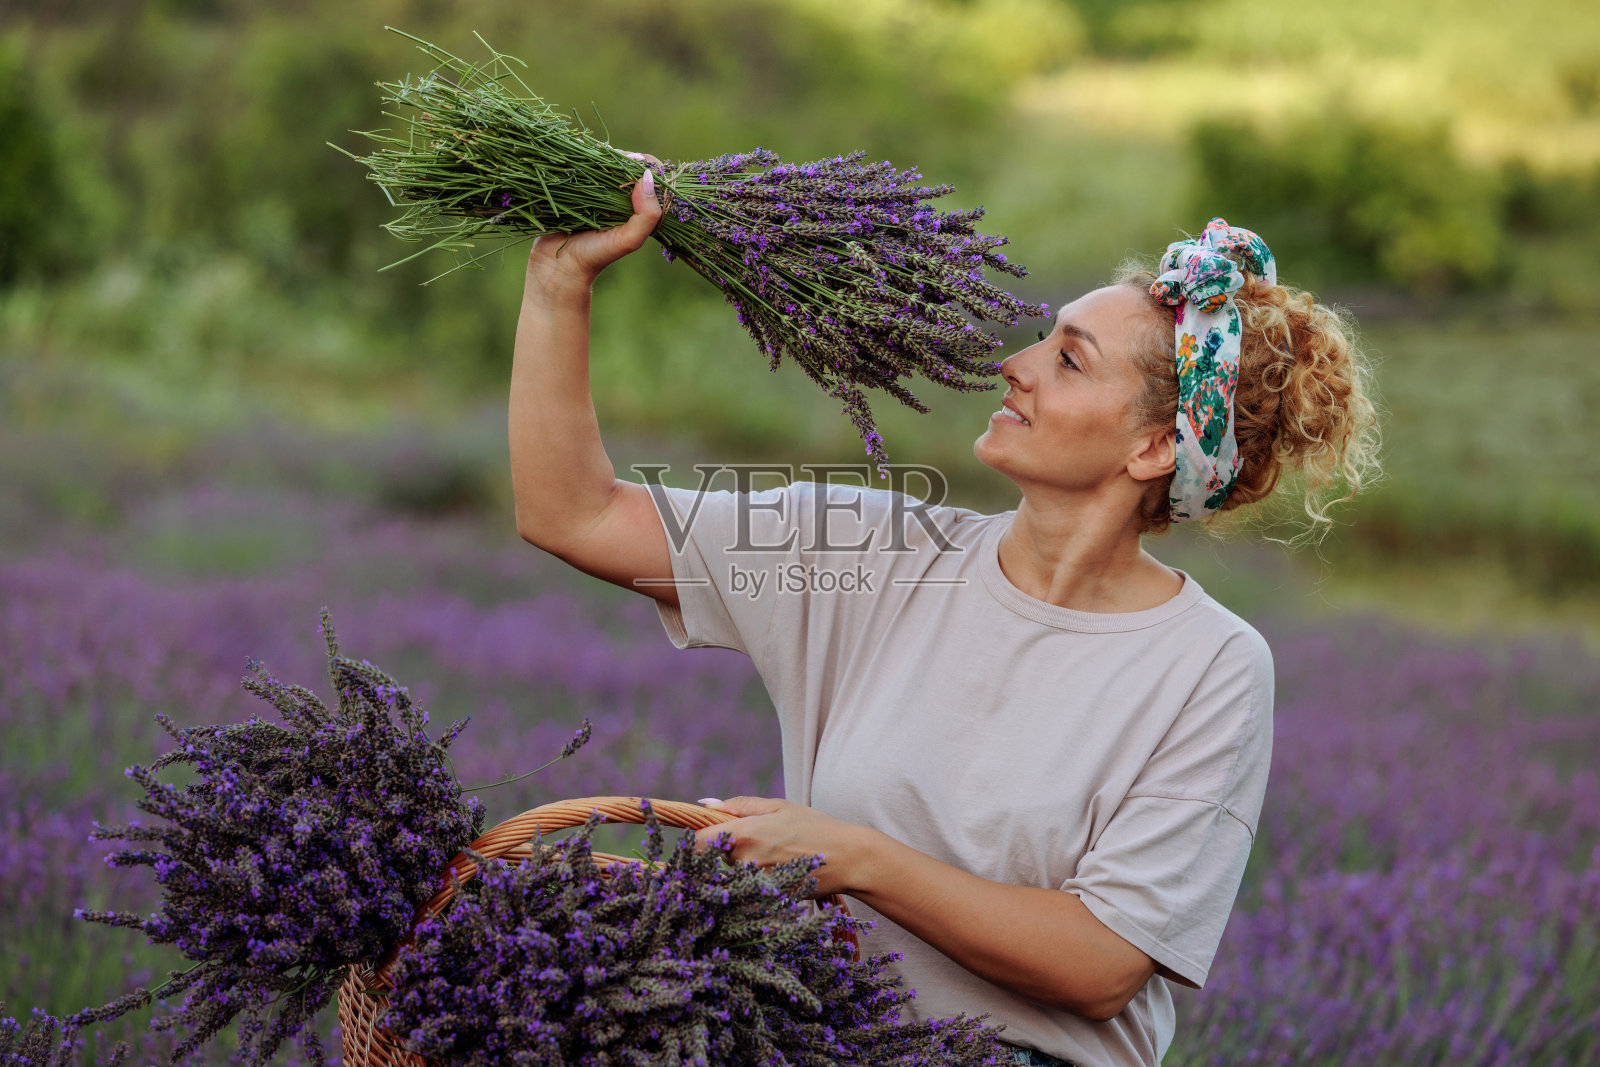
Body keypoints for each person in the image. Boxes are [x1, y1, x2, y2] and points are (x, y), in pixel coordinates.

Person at [510, 162, 1381, 1067]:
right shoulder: (872, 549)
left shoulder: (1208, 666)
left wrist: (853, 856)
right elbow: (574, 514)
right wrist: (557, 288)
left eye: (1068, 358)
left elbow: (1101, 964)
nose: (1016, 364)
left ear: (1156, 446)